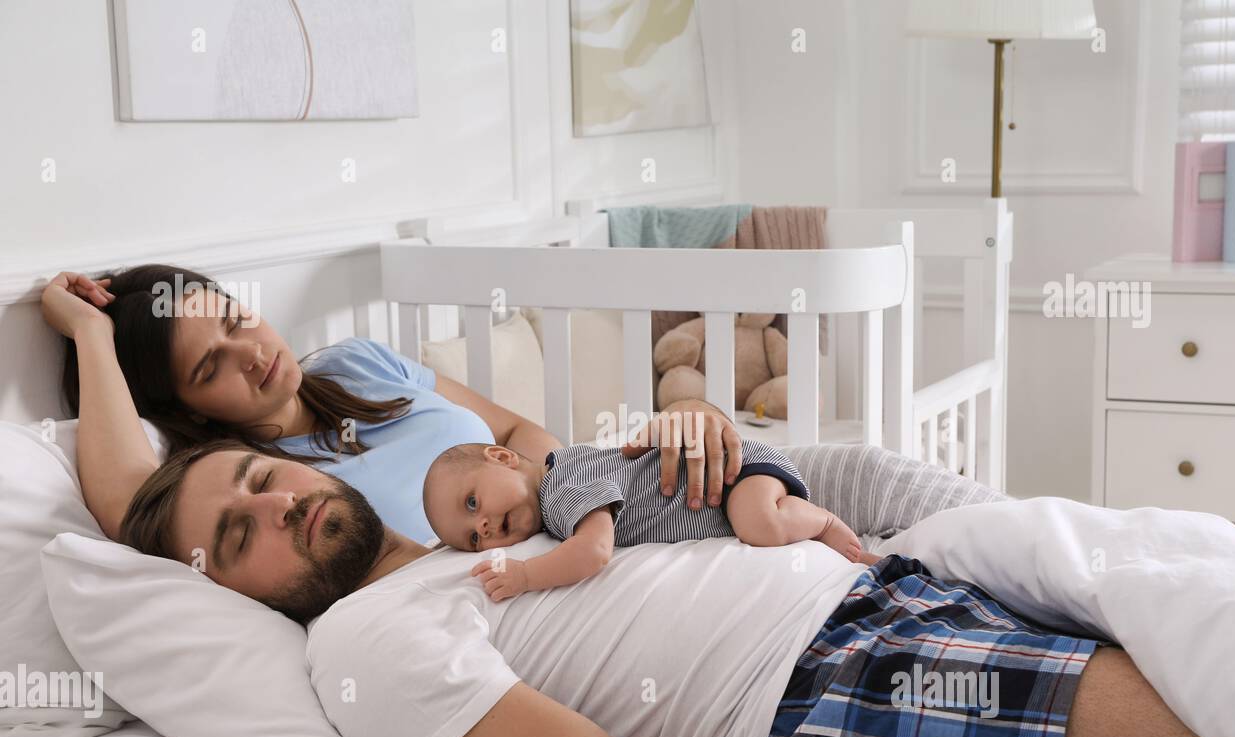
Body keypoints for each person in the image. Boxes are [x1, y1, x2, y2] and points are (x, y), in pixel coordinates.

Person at [116, 440, 1235, 737]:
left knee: (1232, 617)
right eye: (237, 533)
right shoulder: (362, 647)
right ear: (228, 587)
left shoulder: (506, 511)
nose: (279, 511)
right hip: (839, 685)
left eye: (268, 480)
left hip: (893, 582)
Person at [40, 268, 744, 545]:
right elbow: (128, 501)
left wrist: (576, 487)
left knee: (791, 478)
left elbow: (513, 430)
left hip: (594, 518)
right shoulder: (259, 485)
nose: (250, 353)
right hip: (543, 591)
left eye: (234, 319)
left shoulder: (354, 364)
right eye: (209, 367)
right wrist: (92, 335)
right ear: (189, 411)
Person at [423, 439, 864, 602]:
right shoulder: (564, 477)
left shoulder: (560, 489)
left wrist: (525, 575)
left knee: (760, 527)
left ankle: (824, 524)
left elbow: (595, 551)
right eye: (469, 540)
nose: (480, 528)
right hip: (726, 482)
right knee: (757, 526)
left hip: (730, 475)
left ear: (502, 457)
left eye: (472, 503)